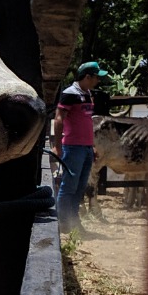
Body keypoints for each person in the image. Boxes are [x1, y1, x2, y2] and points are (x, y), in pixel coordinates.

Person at [52, 60, 108, 233]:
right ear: (87, 77)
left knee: (79, 187)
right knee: (68, 186)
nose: (98, 81)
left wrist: (91, 146)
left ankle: (74, 221)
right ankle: (63, 223)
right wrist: (57, 146)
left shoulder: (88, 94)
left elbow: (86, 122)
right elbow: (59, 119)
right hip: (72, 147)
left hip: (85, 148)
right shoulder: (69, 93)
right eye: (96, 77)